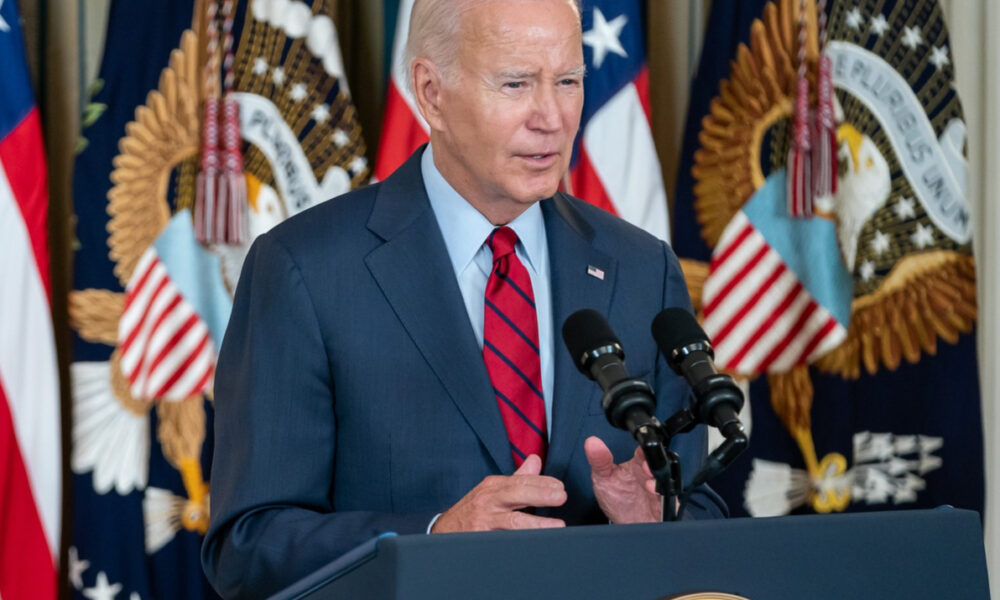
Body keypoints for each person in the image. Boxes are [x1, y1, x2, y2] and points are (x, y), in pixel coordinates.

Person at [201, 0, 726, 597]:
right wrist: (433, 536)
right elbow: (249, 546)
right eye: (516, 84)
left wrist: (651, 524)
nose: (551, 117)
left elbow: (701, 515)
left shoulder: (641, 267)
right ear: (430, 93)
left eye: (569, 82)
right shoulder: (305, 269)